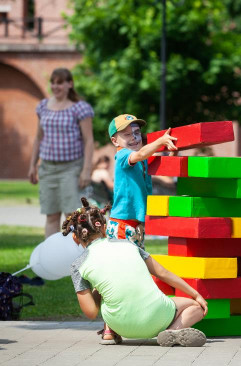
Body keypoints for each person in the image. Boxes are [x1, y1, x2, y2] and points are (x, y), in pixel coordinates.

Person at [65, 197, 208, 347]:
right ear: (104, 228)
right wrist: (196, 295)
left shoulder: (77, 266)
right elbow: (163, 273)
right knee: (195, 307)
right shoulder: (129, 245)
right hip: (158, 316)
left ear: (75, 237)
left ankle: (110, 332)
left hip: (120, 324)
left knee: (106, 293)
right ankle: (172, 331)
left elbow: (91, 312)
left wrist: (98, 290)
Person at [28, 68, 94, 238]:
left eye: (60, 82)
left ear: (69, 84)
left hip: (72, 168)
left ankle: (76, 258)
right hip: (48, 169)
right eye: (53, 82)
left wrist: (86, 170)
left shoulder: (80, 108)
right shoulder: (43, 106)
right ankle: (51, 260)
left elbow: (89, 141)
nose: (55, 86)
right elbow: (37, 138)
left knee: (72, 216)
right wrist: (32, 165)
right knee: (51, 215)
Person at [106, 114, 177, 248]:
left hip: (135, 224)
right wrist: (160, 142)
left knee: (135, 263)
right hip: (122, 224)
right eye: (127, 134)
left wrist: (173, 149)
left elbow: (165, 165)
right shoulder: (123, 155)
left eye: (136, 132)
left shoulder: (142, 157)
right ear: (115, 141)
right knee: (126, 263)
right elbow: (140, 154)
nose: (133, 137)